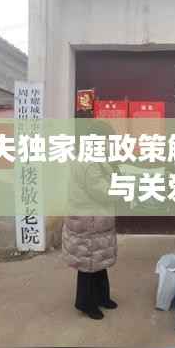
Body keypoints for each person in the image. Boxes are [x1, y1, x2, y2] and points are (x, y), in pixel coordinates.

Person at [62, 120, 119, 320]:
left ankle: (102, 297)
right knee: (88, 264)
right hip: (88, 222)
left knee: (98, 262)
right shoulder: (88, 163)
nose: (110, 144)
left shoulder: (93, 158)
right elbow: (103, 191)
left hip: (94, 220)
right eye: (108, 140)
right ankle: (86, 303)